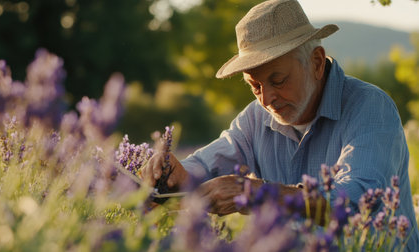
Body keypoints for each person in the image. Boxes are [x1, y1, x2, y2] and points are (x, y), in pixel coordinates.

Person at [142, 0, 419, 250]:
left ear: (317, 62)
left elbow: (356, 201)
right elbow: (209, 162)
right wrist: (175, 174)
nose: (267, 98)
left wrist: (259, 193)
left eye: (278, 80)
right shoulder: (255, 118)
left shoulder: (370, 108)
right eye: (255, 86)